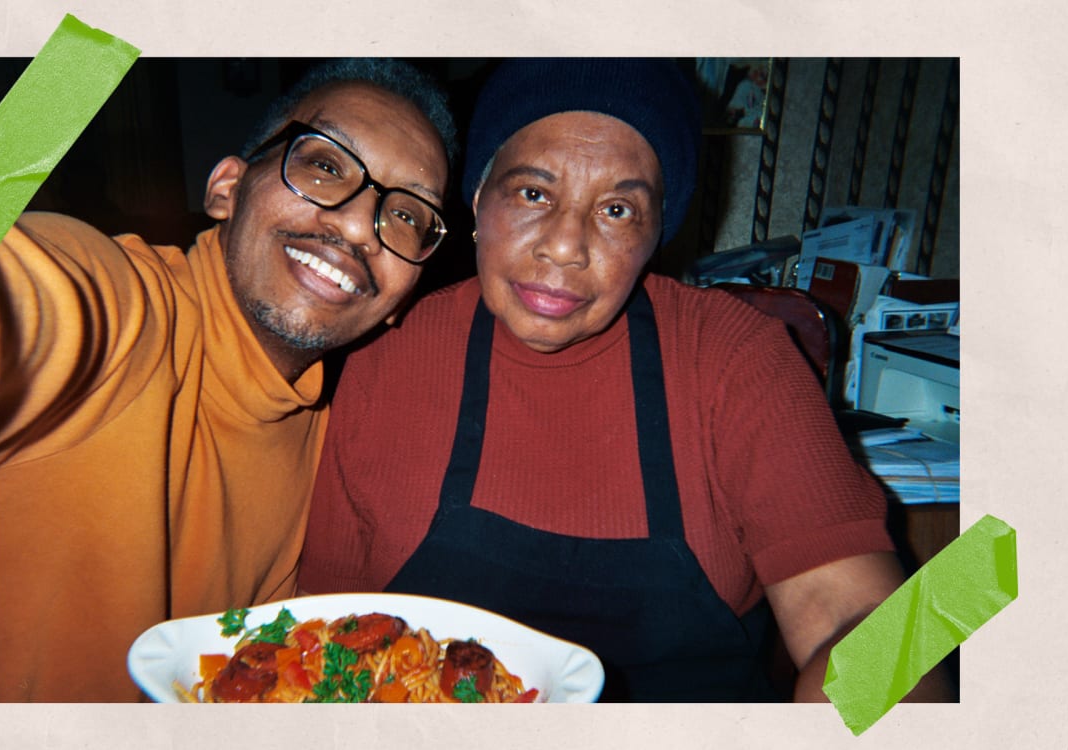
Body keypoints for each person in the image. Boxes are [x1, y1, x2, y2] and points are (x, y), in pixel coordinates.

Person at [298, 58, 949, 702]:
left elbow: (858, 620)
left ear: (655, 232)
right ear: (477, 197)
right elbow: (328, 635)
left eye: (616, 210)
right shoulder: (389, 351)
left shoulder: (735, 358)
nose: (565, 245)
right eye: (532, 193)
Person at [0, 58, 456, 702]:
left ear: (404, 296)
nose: (356, 226)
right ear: (226, 189)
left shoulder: (328, 436)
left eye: (406, 215)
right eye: (324, 166)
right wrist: (76, 60)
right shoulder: (120, 311)